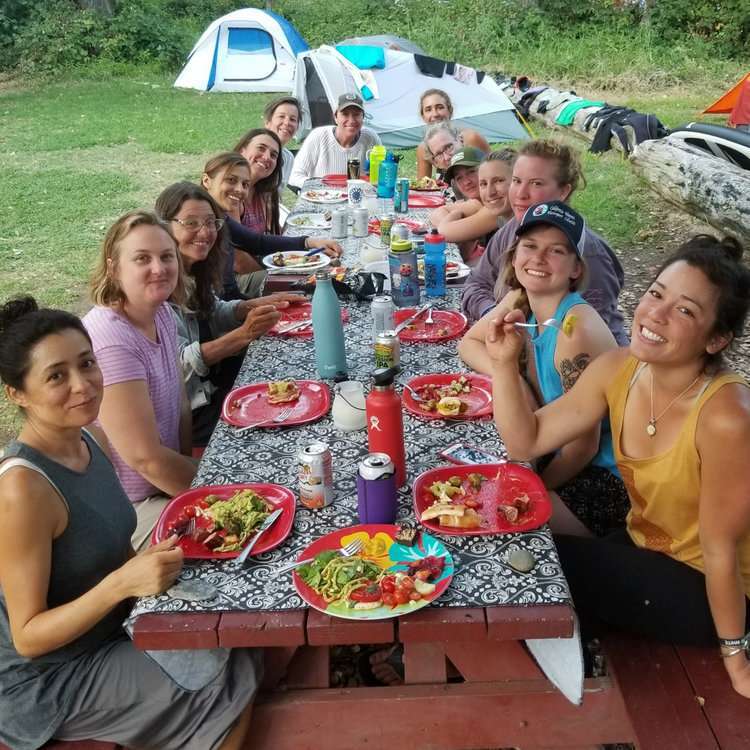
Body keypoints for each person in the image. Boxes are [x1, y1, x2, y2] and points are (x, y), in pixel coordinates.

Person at [484, 234, 750, 698]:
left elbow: (721, 551)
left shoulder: (726, 416)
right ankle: (550, 673)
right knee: (516, 528)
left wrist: (737, 658)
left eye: (685, 310)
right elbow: (526, 438)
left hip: (710, 587)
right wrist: (505, 365)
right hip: (647, 548)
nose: (655, 315)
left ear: (717, 339)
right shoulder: (619, 369)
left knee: (529, 564)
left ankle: (532, 684)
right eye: (656, 294)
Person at [0, 296, 260, 750]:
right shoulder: (22, 489)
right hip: (49, 678)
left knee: (242, 628)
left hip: (109, 623)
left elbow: (109, 544)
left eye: (87, 364)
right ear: (17, 394)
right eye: (56, 376)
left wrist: (143, 566)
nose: (82, 385)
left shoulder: (90, 436)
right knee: (225, 677)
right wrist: (122, 584)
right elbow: (27, 637)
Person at [459, 201, 627, 536]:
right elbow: (468, 344)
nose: (538, 258)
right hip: (549, 447)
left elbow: (585, 448)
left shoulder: (574, 329)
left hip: (603, 476)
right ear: (514, 255)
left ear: (575, 269)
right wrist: (514, 380)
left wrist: (531, 486)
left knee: (501, 521)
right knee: (469, 496)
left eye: (555, 251)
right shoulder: (520, 300)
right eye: (530, 246)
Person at [155, 181, 303, 446]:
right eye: (191, 223)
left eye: (211, 222)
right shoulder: (158, 286)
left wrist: (257, 304)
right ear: (165, 226)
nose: (205, 232)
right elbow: (181, 365)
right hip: (195, 410)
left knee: (291, 370)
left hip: (215, 382)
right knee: (285, 422)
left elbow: (213, 310)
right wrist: (244, 334)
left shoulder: (192, 269)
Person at [83, 210, 197, 549]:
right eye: (142, 259)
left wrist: (195, 466)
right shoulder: (112, 341)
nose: (159, 269)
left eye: (166, 256)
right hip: (132, 507)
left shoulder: (160, 310)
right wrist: (214, 488)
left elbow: (180, 404)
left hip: (164, 483)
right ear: (115, 267)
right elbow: (145, 459)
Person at [461, 139, 628, 346]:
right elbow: (475, 285)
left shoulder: (588, 254)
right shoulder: (512, 229)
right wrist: (494, 317)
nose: (520, 194)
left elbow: (596, 342)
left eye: (536, 183)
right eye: (516, 181)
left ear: (563, 191)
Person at [201, 152, 342, 299]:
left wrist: (308, 241)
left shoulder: (220, 218)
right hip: (221, 310)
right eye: (231, 180)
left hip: (231, 301)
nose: (239, 189)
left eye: (245, 184)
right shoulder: (202, 226)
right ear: (206, 181)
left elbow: (257, 242)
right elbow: (218, 299)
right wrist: (258, 305)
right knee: (313, 284)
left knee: (319, 279)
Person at [433, 149, 515, 264]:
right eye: (459, 178)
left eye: (471, 172)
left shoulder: (496, 206)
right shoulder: (478, 203)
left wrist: (456, 218)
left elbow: (444, 231)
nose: (466, 182)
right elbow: (437, 213)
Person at [288, 92, 381, 189]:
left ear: (363, 118)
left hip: (357, 199)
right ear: (335, 117)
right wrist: (320, 187)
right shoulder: (318, 136)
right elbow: (294, 176)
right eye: (345, 114)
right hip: (322, 198)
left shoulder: (371, 138)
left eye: (356, 114)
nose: (351, 120)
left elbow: (381, 177)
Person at [415, 89, 491, 179]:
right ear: (423, 116)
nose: (435, 114)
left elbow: (493, 171)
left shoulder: (471, 138)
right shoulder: (423, 149)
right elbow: (422, 185)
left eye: (440, 107)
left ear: (450, 110)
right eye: (428, 110)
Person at [232, 127, 284, 234]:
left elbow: (277, 233)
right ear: (242, 150)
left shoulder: (264, 193)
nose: (267, 157)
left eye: (273, 155)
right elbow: (238, 247)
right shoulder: (232, 194)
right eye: (261, 148)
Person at [263, 95, 302, 190]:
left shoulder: (288, 158)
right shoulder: (256, 153)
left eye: (292, 119)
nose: (287, 122)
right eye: (281, 116)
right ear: (267, 122)